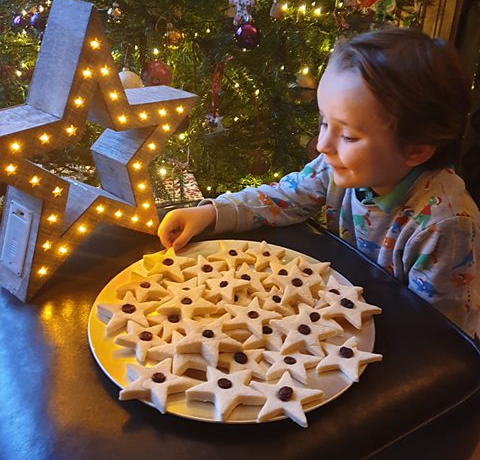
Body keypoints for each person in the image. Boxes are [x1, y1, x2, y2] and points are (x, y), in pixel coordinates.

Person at [158, 27, 480, 340]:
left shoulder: (445, 225)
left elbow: (440, 344)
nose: (323, 144)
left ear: (416, 149)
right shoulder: (336, 167)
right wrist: (211, 214)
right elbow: (283, 197)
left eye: (349, 135)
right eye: (324, 122)